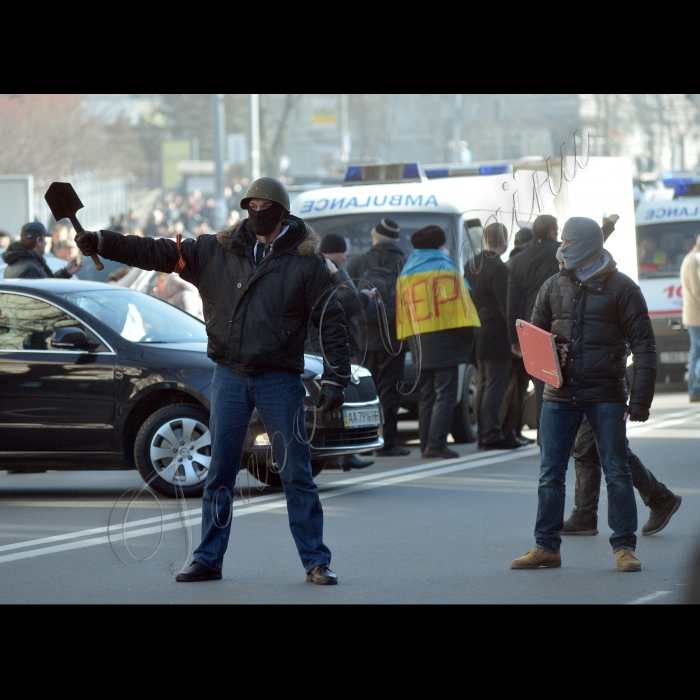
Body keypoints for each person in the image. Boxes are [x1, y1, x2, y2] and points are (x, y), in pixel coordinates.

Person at [75, 177, 350, 586]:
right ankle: (207, 558)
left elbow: (332, 322)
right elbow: (156, 251)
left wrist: (336, 378)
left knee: (296, 472)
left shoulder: (307, 264)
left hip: (279, 379)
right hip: (230, 376)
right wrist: (102, 241)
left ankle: (316, 561)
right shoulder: (214, 250)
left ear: (282, 212)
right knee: (219, 472)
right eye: (250, 205)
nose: (257, 211)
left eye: (264, 205)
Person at [510, 216, 657, 573]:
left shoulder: (623, 288)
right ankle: (546, 547)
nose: (562, 247)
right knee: (550, 474)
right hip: (559, 395)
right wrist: (552, 351)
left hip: (606, 392)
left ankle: (624, 547)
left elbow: (645, 347)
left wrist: (639, 401)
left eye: (568, 242)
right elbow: (533, 339)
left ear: (588, 244)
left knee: (617, 472)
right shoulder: (552, 285)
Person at [397, 225, 479, 458]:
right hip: (446, 343)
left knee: (426, 395)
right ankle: (436, 445)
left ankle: (426, 445)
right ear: (440, 245)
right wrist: (468, 339)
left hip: (418, 344)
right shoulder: (448, 272)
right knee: (445, 395)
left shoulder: (405, 275)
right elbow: (463, 311)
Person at [562, 407, 681, 536]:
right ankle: (584, 515)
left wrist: (639, 402)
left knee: (615, 452)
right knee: (585, 451)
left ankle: (661, 499)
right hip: (586, 392)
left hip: (606, 393)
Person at [347, 218, 410, 457]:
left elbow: (349, 300)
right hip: (393, 336)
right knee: (390, 390)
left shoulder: (358, 263)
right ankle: (388, 442)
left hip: (362, 337)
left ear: (375, 238)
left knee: (363, 392)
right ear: (395, 240)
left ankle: (362, 443)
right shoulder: (403, 262)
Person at [316, 231, 374, 471]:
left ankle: (346, 452)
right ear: (334, 253)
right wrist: (341, 276)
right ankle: (344, 453)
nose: (346, 256)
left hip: (336, 346)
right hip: (336, 347)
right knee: (346, 401)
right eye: (342, 251)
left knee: (345, 402)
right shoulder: (326, 272)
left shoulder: (326, 270)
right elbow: (350, 300)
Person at [465, 223, 521, 450]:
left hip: (478, 331)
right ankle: (492, 434)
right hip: (497, 333)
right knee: (496, 386)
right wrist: (514, 337)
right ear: (504, 240)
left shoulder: (471, 264)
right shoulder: (498, 268)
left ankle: (482, 434)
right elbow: (506, 305)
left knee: (485, 384)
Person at [2, 222, 81, 279]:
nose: (46, 243)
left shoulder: (14, 264)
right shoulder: (30, 269)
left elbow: (46, 284)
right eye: (45, 239)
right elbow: (45, 295)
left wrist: (66, 272)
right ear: (38, 241)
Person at [681, 233, 700, 402]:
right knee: (697, 354)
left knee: (696, 353)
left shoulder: (692, 258)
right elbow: (697, 289)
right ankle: (695, 389)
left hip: (694, 315)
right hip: (697, 316)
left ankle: (695, 390)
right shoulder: (695, 260)